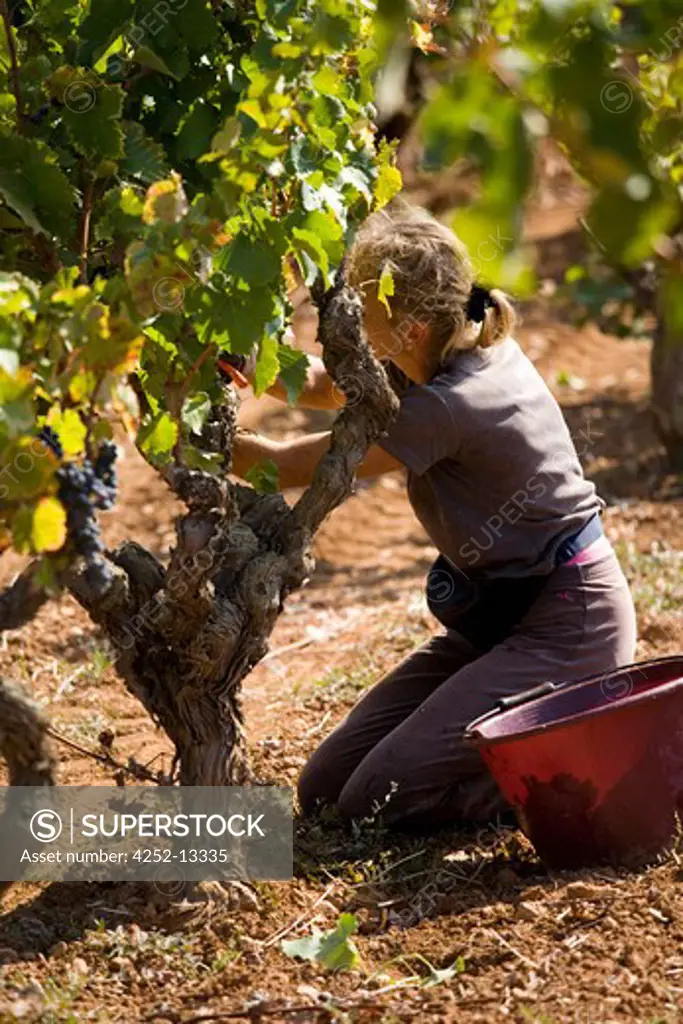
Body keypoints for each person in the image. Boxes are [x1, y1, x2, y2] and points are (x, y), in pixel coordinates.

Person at [231, 201, 637, 830]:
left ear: (411, 330)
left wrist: (190, 430)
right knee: (325, 791)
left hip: (567, 624)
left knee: (377, 803)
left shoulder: (447, 405)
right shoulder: (459, 346)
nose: (351, 333)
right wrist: (251, 369)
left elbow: (286, 465)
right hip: (498, 618)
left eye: (362, 318)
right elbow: (340, 387)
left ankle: (590, 774)